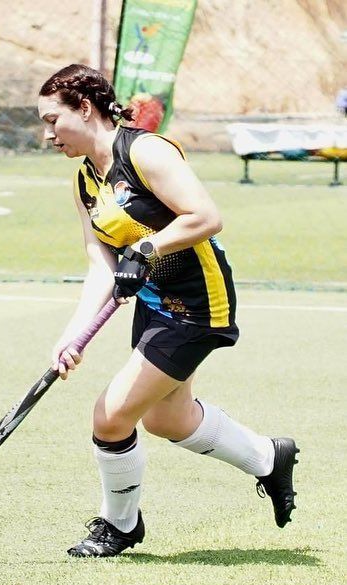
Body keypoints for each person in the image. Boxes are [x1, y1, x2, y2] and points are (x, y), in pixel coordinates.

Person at [36, 64, 298, 557]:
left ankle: (120, 525)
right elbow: (101, 265)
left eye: (53, 120)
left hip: (197, 303)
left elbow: (206, 217)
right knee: (167, 419)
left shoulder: (145, 152)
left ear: (85, 109)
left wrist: (147, 249)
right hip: (154, 303)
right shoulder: (85, 181)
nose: (47, 135)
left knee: (110, 417)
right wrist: (72, 334)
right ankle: (269, 457)